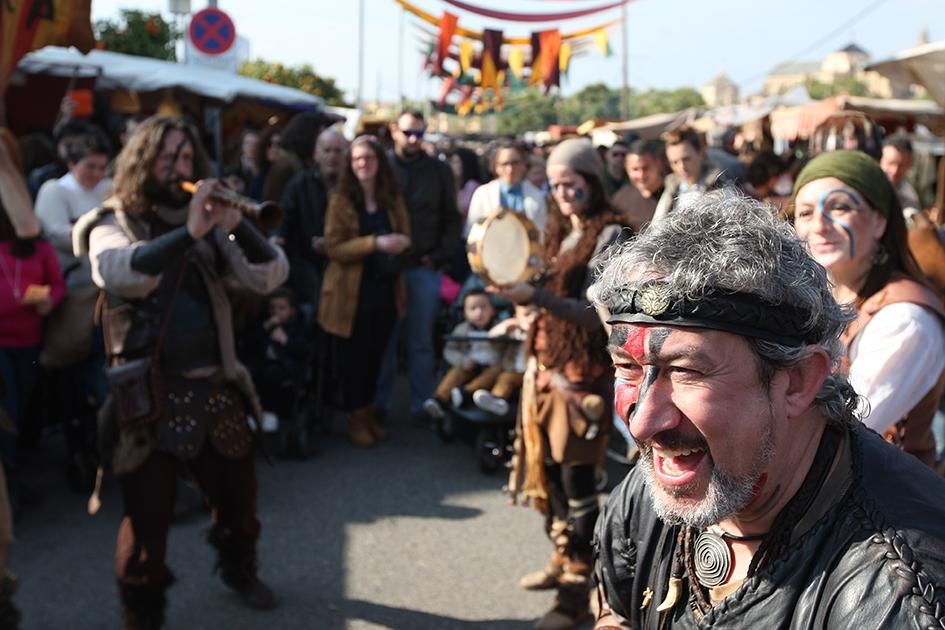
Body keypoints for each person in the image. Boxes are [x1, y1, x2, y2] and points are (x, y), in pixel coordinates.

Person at [591, 190, 945, 629]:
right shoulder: (657, 488)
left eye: (686, 371)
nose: (643, 422)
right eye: (626, 367)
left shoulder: (894, 595)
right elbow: (617, 608)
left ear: (796, 380)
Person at [76, 116, 288, 628]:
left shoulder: (211, 222)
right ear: (143, 160)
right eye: (168, 157)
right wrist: (189, 232)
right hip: (150, 399)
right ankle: (141, 613)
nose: (179, 168)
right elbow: (120, 273)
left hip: (216, 387)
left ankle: (240, 571)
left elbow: (269, 275)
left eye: (187, 157)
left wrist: (237, 227)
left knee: (241, 507)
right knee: (147, 527)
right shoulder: (115, 219)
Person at [497, 138, 629, 630]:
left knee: (578, 485)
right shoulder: (559, 232)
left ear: (592, 180)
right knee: (549, 477)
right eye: (555, 183)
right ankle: (562, 558)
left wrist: (537, 297)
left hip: (582, 379)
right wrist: (525, 310)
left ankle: (578, 593)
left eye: (571, 181)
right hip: (546, 371)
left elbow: (599, 318)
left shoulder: (610, 234)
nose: (563, 190)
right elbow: (550, 297)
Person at [791, 150, 945, 467]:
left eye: (840, 207)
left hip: (887, 509)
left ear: (879, 221)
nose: (819, 225)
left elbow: (841, 433)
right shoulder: (817, 297)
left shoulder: (904, 320)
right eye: (805, 213)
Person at [318, 135, 411, 447]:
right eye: (357, 159)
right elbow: (334, 247)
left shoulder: (391, 197)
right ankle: (356, 419)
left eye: (369, 158)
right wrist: (376, 243)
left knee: (377, 357)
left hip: (385, 289)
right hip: (350, 293)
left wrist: (400, 244)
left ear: (379, 163)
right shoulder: (341, 198)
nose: (363, 164)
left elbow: (405, 233)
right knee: (353, 360)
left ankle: (369, 414)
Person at [375, 111, 462, 419]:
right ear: (394, 131)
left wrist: (438, 256)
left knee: (420, 340)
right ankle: (379, 405)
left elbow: (452, 218)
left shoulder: (438, 170)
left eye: (419, 134)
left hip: (424, 265)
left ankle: (423, 405)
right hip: (386, 267)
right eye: (408, 132)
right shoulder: (382, 165)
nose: (414, 139)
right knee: (384, 337)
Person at [0, 129, 65, 506]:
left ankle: (14, 479)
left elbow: (56, 283)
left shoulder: (30, 237)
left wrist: (49, 301)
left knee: (20, 411)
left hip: (28, 339)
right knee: (6, 411)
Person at [277, 128, 348, 316]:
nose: (332, 156)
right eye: (327, 150)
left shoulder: (353, 187)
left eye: (338, 151)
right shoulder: (299, 185)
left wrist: (336, 243)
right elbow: (284, 220)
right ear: (316, 154)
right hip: (307, 270)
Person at [423, 289, 499, 419]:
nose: (479, 313)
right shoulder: (462, 329)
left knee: (495, 371)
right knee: (455, 373)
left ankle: (466, 393)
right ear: (465, 313)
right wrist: (463, 360)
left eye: (483, 307)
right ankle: (439, 399)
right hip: (468, 365)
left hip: (491, 368)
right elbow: (449, 350)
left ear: (492, 310)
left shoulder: (499, 328)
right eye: (473, 308)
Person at [248, 288, 310, 426]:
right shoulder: (264, 325)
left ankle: (270, 412)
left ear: (291, 311)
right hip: (265, 363)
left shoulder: (296, 328)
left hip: (287, 366)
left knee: (273, 375)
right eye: (273, 308)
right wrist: (264, 329)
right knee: (254, 372)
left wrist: (285, 340)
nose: (276, 312)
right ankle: (253, 411)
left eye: (282, 308)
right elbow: (253, 346)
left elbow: (303, 351)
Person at [465, 140, 547, 236]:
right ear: (496, 167)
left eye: (514, 163)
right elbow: (472, 232)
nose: (510, 169)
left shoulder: (537, 195)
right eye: (505, 164)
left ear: (524, 164)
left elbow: (541, 233)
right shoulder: (482, 194)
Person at [652, 127, 725, 222]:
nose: (681, 167)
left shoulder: (720, 189)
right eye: (675, 162)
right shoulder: (671, 191)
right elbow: (656, 228)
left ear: (701, 153)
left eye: (686, 159)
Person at [610, 139, 665, 232]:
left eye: (645, 168)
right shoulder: (620, 199)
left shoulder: (674, 195)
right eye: (635, 169)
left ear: (658, 164)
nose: (641, 175)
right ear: (627, 168)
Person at [880, 134, 921, 210]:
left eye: (901, 165)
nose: (895, 170)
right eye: (890, 163)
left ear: (909, 165)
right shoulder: (866, 185)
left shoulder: (908, 195)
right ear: (881, 160)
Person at [448, 147, 483, 223]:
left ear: (465, 164)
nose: (452, 165)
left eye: (456, 162)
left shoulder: (472, 185)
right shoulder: (456, 184)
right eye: (452, 162)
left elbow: (462, 210)